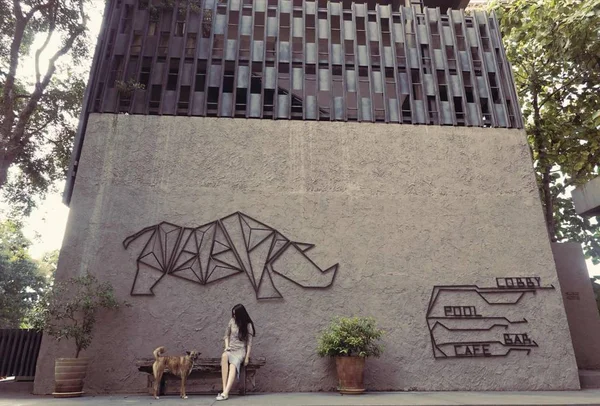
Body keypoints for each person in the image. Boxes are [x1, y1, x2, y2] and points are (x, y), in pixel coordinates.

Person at [217, 304, 256, 401]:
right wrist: (227, 347)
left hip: (240, 351)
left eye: (235, 314)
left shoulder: (248, 325)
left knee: (233, 365)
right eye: (233, 314)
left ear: (241, 315)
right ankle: (224, 389)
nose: (233, 316)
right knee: (224, 356)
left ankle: (225, 393)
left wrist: (247, 357)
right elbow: (226, 335)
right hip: (231, 348)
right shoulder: (232, 321)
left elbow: (249, 343)